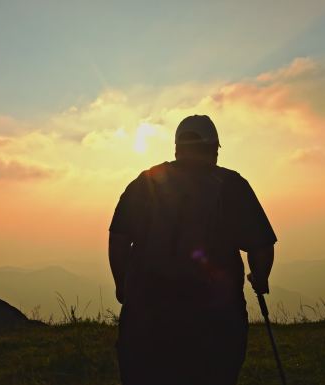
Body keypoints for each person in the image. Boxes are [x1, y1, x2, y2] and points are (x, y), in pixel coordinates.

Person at [109, 115, 277, 385]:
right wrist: (260, 279)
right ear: (213, 148)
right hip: (215, 321)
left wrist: (122, 285)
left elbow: (118, 240)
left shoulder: (146, 182)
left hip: (146, 318)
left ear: (177, 147)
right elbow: (261, 246)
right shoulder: (232, 185)